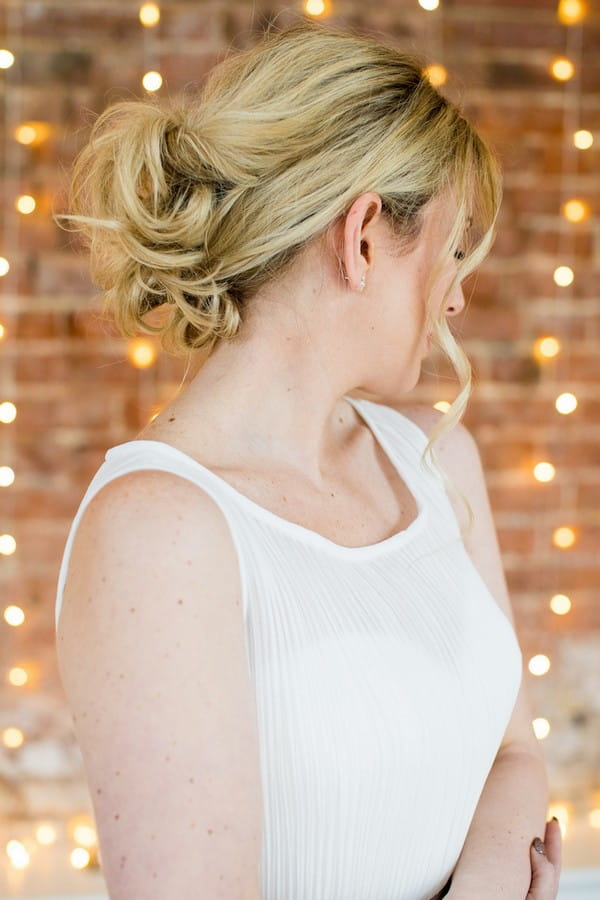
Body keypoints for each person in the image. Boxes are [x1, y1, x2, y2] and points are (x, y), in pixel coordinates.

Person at [54, 19, 562, 900]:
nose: (459, 291)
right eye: (449, 247)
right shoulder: (157, 531)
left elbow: (514, 753)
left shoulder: (440, 462)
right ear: (362, 236)